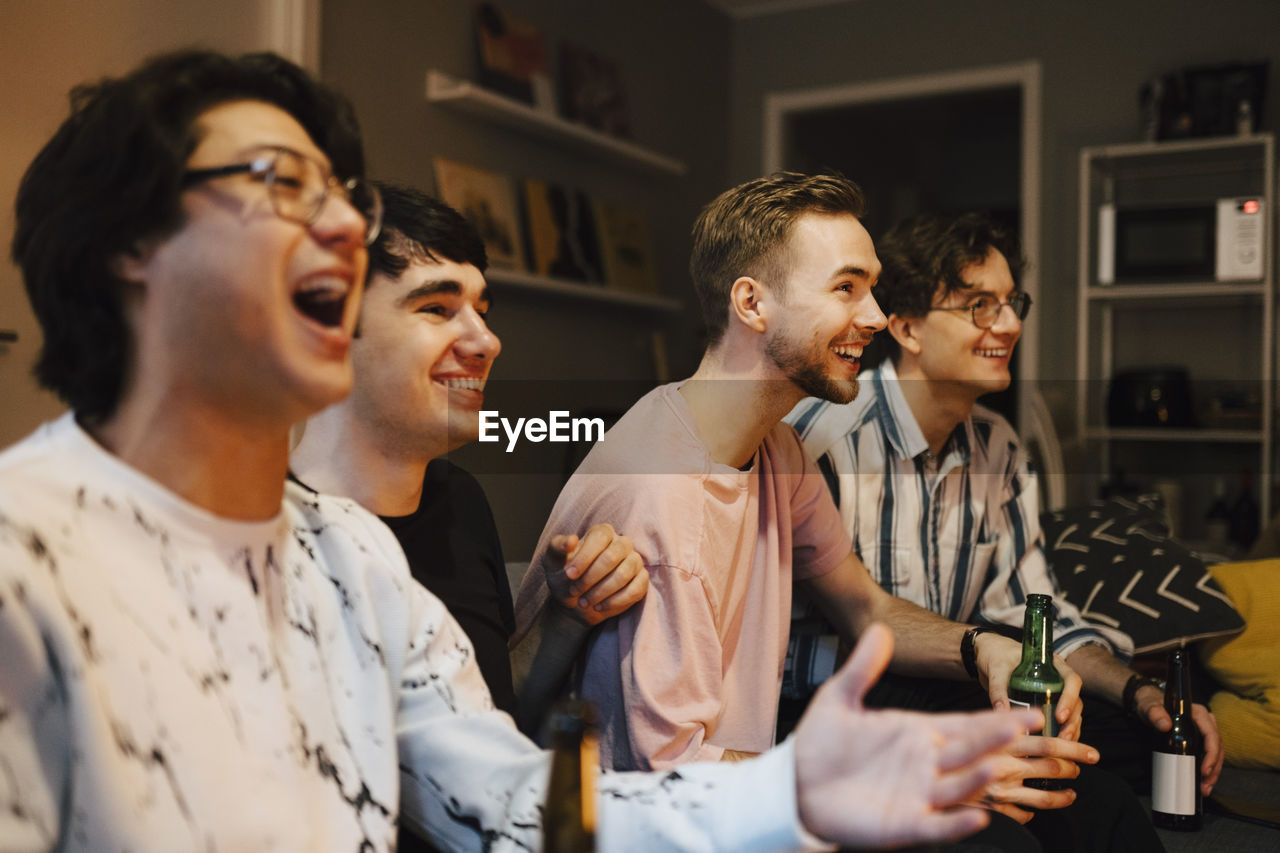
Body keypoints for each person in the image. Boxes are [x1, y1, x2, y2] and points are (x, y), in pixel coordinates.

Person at [0, 49, 1039, 852]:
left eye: (341, 197)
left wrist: (789, 791)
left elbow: (504, 800)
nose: (336, 227)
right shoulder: (24, 555)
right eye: (280, 182)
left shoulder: (353, 560)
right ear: (129, 248)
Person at [514, 174, 1089, 784]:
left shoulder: (774, 446)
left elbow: (863, 608)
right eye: (846, 288)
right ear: (752, 304)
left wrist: (984, 647)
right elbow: (670, 778)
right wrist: (906, 782)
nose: (874, 316)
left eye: (872, 289)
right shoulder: (664, 503)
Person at [786, 212, 1215, 846]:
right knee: (1029, 811)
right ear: (905, 327)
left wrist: (1139, 694)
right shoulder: (823, 438)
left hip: (965, 680)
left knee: (1129, 740)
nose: (1010, 324)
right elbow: (779, 649)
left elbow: (1032, 610)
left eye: (1012, 302)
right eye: (979, 306)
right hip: (842, 704)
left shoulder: (998, 446)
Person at [291, 182, 646, 734]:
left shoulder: (461, 501)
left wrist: (567, 616)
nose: (486, 341)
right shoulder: (268, 535)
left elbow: (490, 728)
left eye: (481, 310)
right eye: (437, 307)